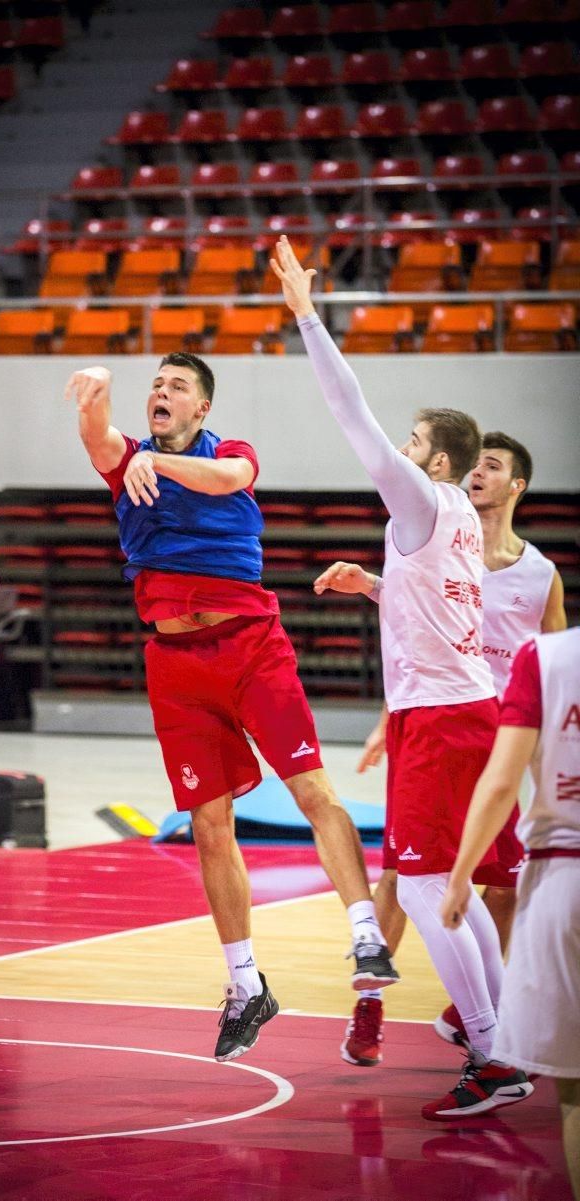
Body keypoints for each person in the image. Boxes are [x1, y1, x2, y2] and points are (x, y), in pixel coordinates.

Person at [66, 355, 398, 1062]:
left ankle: (367, 932)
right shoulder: (128, 459)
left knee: (313, 789)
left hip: (251, 647)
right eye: (155, 384)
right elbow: (98, 438)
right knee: (208, 825)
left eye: (177, 386)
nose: (161, 392)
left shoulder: (231, 452)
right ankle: (246, 984)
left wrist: (152, 462)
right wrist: (95, 395)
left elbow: (226, 480)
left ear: (203, 409)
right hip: (175, 664)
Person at [271, 234, 532, 1119]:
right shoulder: (453, 517)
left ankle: (495, 1052)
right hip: (473, 711)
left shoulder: (422, 495)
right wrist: (377, 583)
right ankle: (509, 1043)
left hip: (442, 720)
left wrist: (308, 315)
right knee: (449, 887)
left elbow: (353, 415)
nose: (403, 450)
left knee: (423, 888)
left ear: (440, 462)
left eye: (416, 443)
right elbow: (440, 604)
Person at [343, 432, 566, 1068]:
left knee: (496, 883)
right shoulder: (448, 537)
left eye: (493, 467)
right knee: (406, 873)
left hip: (496, 734)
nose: (478, 476)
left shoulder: (538, 574)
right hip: (439, 721)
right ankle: (375, 1004)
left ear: (516, 485)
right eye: (477, 465)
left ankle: (486, 1024)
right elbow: (416, 625)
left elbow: (553, 665)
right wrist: (390, 717)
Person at [441, 627, 579, 1188]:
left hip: (565, 876)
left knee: (572, 1087)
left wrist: (457, 879)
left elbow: (501, 784)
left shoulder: (546, 656)